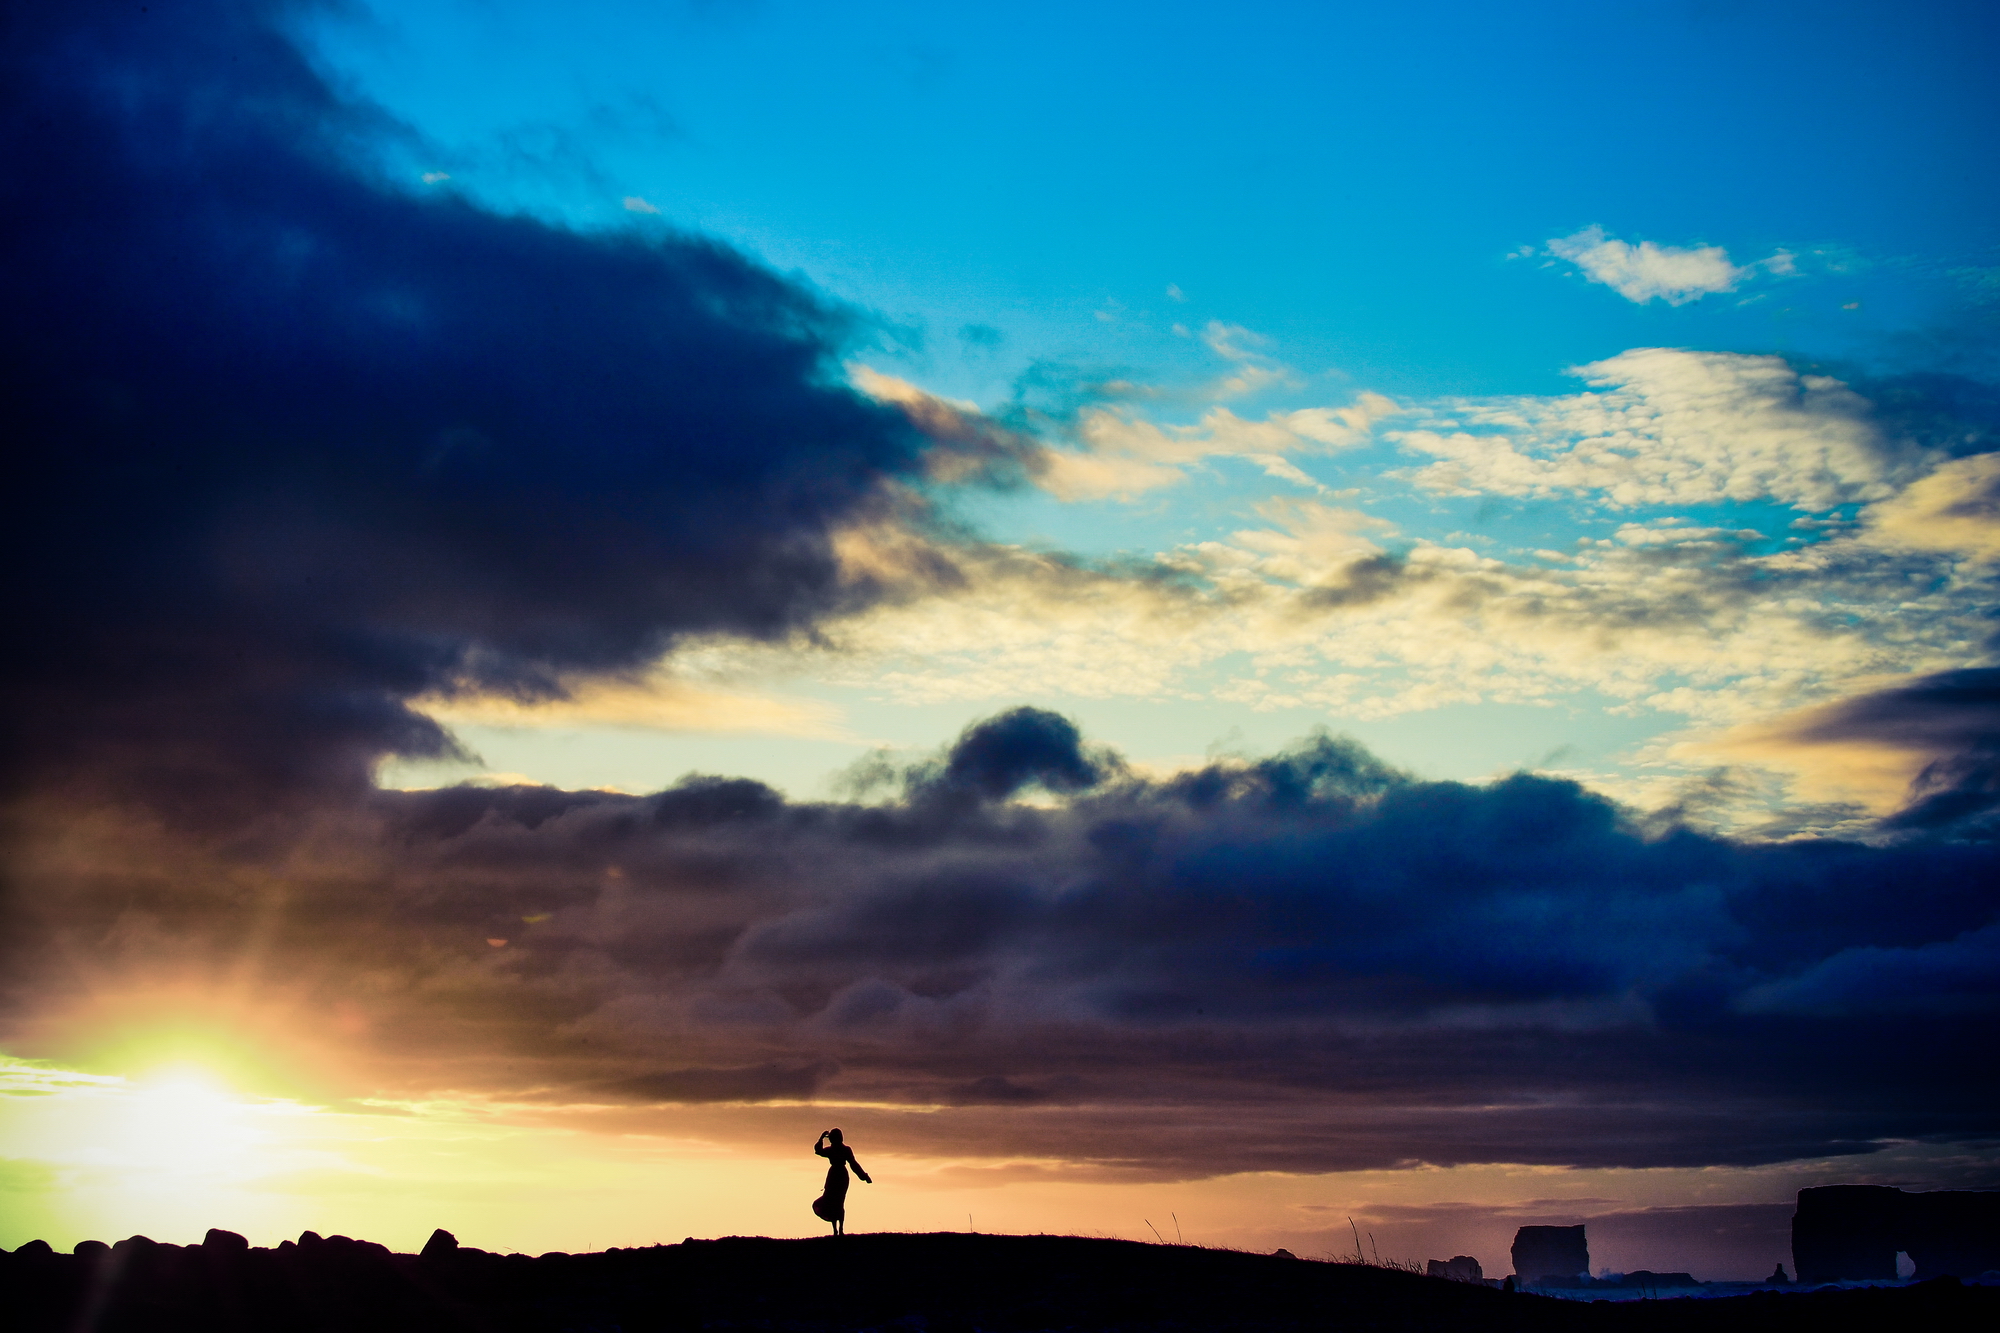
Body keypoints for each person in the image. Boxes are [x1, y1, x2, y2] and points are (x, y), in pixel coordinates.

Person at [810, 1128, 871, 1235]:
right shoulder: (835, 1150)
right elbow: (818, 1151)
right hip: (835, 1176)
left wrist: (864, 1176)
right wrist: (821, 1138)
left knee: (839, 1202)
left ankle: (840, 1229)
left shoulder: (844, 1150)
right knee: (833, 1202)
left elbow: (853, 1164)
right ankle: (836, 1230)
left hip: (840, 1176)